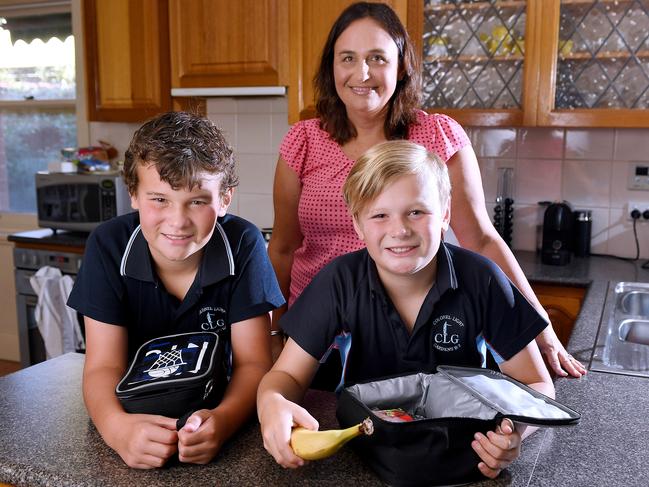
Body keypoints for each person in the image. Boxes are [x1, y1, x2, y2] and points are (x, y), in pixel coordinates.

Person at [267, 1, 585, 378]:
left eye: (378, 58)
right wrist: (273, 331)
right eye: (347, 58)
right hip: (317, 339)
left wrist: (540, 327)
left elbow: (481, 239)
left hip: (424, 332)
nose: (361, 73)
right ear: (331, 67)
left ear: (401, 66)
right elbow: (283, 248)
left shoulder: (437, 135)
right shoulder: (302, 142)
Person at [258, 140, 555, 479]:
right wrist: (271, 403)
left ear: (444, 215)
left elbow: (536, 383)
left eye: (416, 211)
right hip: (368, 448)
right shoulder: (338, 281)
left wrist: (513, 434)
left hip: (466, 451)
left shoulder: (482, 279)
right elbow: (288, 375)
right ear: (358, 225)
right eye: (380, 215)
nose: (399, 230)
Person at [67, 111, 285, 469]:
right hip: (133, 412)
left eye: (197, 201)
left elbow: (253, 363)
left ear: (225, 199)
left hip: (216, 406)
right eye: (159, 200)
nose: (178, 221)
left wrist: (225, 421)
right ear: (134, 194)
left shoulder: (244, 244)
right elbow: (102, 366)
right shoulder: (108, 245)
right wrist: (116, 428)